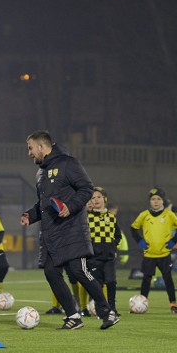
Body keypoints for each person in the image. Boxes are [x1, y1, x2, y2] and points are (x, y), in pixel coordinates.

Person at [20, 130, 118, 330]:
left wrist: (70, 207)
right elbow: (44, 204)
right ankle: (73, 316)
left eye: (30, 148)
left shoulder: (68, 163)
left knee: (78, 270)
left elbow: (86, 189)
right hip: (51, 233)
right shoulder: (40, 173)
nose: (29, 153)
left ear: (41, 146)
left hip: (71, 229)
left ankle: (108, 311)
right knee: (50, 272)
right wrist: (31, 215)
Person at [130, 187, 177, 314]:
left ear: (163, 201)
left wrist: (172, 242)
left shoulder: (169, 214)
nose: (155, 201)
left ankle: (173, 304)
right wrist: (141, 242)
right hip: (149, 253)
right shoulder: (144, 215)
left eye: (158, 199)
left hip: (164, 253)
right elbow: (133, 228)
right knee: (146, 279)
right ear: (149, 201)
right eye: (153, 199)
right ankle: (141, 305)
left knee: (168, 279)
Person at [86, 186, 121, 315]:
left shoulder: (112, 218)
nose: (96, 200)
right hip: (94, 258)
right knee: (96, 285)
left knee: (111, 282)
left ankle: (112, 308)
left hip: (109, 257)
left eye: (99, 197)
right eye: (93, 198)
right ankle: (100, 309)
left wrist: (114, 247)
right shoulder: (87, 218)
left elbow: (118, 235)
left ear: (104, 199)